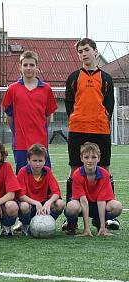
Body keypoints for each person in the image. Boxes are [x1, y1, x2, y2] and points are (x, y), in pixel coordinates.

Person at [64, 38, 118, 230]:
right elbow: (69, 105)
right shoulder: (73, 77)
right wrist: (78, 118)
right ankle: (70, 219)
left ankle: (106, 217)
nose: (83, 54)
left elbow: (109, 106)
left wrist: (100, 119)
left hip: (100, 129)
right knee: (74, 170)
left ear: (95, 52)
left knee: (104, 170)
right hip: (78, 129)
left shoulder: (106, 78)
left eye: (86, 50)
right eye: (80, 51)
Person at [2, 50, 57, 174]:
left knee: (44, 178)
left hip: (41, 143)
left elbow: (47, 116)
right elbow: (10, 117)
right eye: (25, 65)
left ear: (37, 67)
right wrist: (18, 132)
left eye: (32, 65)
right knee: (22, 179)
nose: (28, 68)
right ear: (20, 67)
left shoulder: (46, 89)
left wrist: (39, 129)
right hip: (21, 143)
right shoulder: (13, 89)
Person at [64, 142, 122, 236]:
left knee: (117, 206)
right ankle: (72, 224)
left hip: (98, 205)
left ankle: (99, 223)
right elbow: (83, 201)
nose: (90, 160)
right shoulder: (77, 174)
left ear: (98, 158)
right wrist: (86, 229)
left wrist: (103, 227)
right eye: (86, 157)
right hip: (82, 206)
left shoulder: (104, 174)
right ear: (81, 158)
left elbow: (101, 201)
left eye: (94, 157)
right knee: (71, 207)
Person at [17, 144, 65, 236]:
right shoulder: (23, 171)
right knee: (24, 206)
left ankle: (47, 223)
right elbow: (20, 195)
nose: (38, 164)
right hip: (30, 204)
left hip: (44, 206)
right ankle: (26, 226)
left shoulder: (47, 171)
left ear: (45, 161)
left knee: (60, 204)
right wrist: (36, 203)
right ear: (28, 160)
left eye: (40, 161)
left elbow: (56, 192)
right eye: (34, 161)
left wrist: (49, 202)